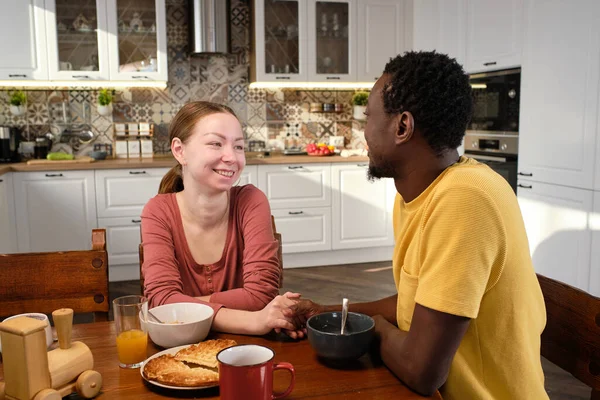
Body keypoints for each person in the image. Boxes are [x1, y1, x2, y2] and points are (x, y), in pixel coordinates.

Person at [292, 51, 548, 399]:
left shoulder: (465, 199)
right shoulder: (419, 193)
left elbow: (422, 370)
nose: (363, 131)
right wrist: (330, 312)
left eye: (368, 116)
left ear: (402, 126)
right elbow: (416, 303)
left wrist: (375, 329)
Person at [141, 101, 296, 335]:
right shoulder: (157, 211)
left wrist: (183, 306)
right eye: (216, 143)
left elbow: (261, 295)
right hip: (180, 348)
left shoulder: (251, 201)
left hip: (245, 349)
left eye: (239, 147)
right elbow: (161, 301)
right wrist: (254, 321)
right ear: (179, 150)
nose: (231, 157)